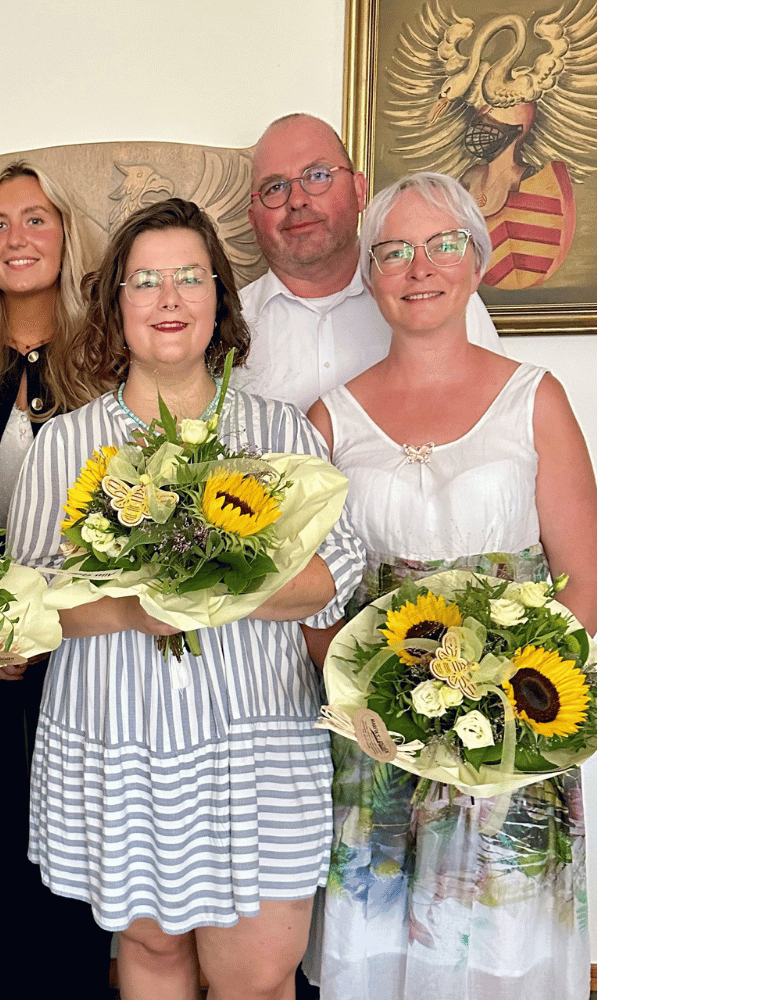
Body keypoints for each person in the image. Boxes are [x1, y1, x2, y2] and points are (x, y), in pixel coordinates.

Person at [5, 198, 365, 1000]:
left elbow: (331, 576)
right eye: (146, 282)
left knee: (259, 979)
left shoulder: (278, 434)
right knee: (154, 954)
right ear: (115, 306)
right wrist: (137, 609)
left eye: (190, 278)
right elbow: (29, 605)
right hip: (116, 740)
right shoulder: (65, 443)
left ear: (219, 299)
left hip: (257, 746)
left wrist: (214, 587)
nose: (170, 299)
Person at [303, 171, 598, 999]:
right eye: (394, 251)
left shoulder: (534, 400)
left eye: (442, 244)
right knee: (384, 943)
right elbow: (314, 596)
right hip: (378, 742)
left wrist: (500, 708)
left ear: (477, 260)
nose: (418, 266)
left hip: (509, 738)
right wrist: (363, 699)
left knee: (494, 946)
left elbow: (587, 584)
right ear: (369, 276)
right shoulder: (329, 420)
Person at [0, 163, 116, 998]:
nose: (17, 238)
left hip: (87, 651)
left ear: (65, 234)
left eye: (36, 218)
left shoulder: (109, 362)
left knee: (78, 846)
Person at [234, 113, 504, 413]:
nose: (297, 200)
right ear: (253, 219)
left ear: (359, 190)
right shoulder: (223, 327)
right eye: (274, 188)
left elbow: (497, 422)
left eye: (318, 176)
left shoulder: (438, 297)